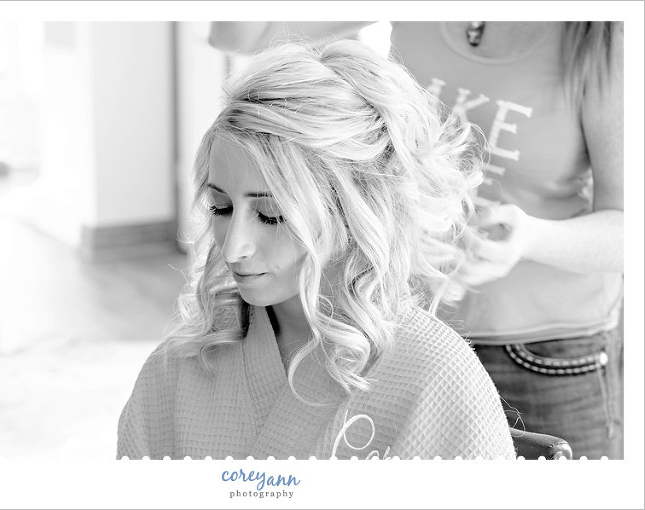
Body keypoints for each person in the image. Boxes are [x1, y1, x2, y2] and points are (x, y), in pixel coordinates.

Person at [208, 21, 624, 459]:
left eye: (271, 214)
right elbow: (236, 34)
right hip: (389, 329)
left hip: (545, 353)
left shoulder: (606, 38)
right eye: (219, 207)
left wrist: (530, 239)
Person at [117, 40, 517, 460]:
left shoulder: (436, 376)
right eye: (221, 207)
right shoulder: (179, 367)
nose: (234, 247)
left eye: (271, 215)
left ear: (353, 211)